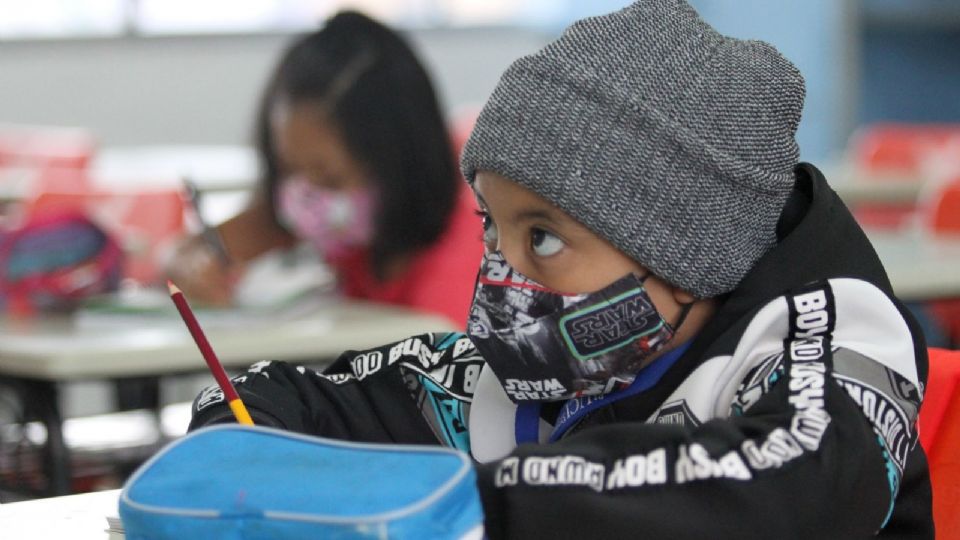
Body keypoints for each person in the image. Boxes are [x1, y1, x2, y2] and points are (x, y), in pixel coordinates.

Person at [189, 1, 933, 537]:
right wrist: (238, 433)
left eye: (542, 239)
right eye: (492, 228)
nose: (502, 276)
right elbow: (309, 400)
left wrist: (484, 497)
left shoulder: (830, 341)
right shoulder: (532, 362)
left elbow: (794, 482)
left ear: (684, 260)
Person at [165, 11, 482, 326]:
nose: (305, 196)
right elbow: (202, 251)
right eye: (289, 170)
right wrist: (187, 263)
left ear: (396, 164)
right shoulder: (340, 221)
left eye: (330, 178)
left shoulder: (465, 260)